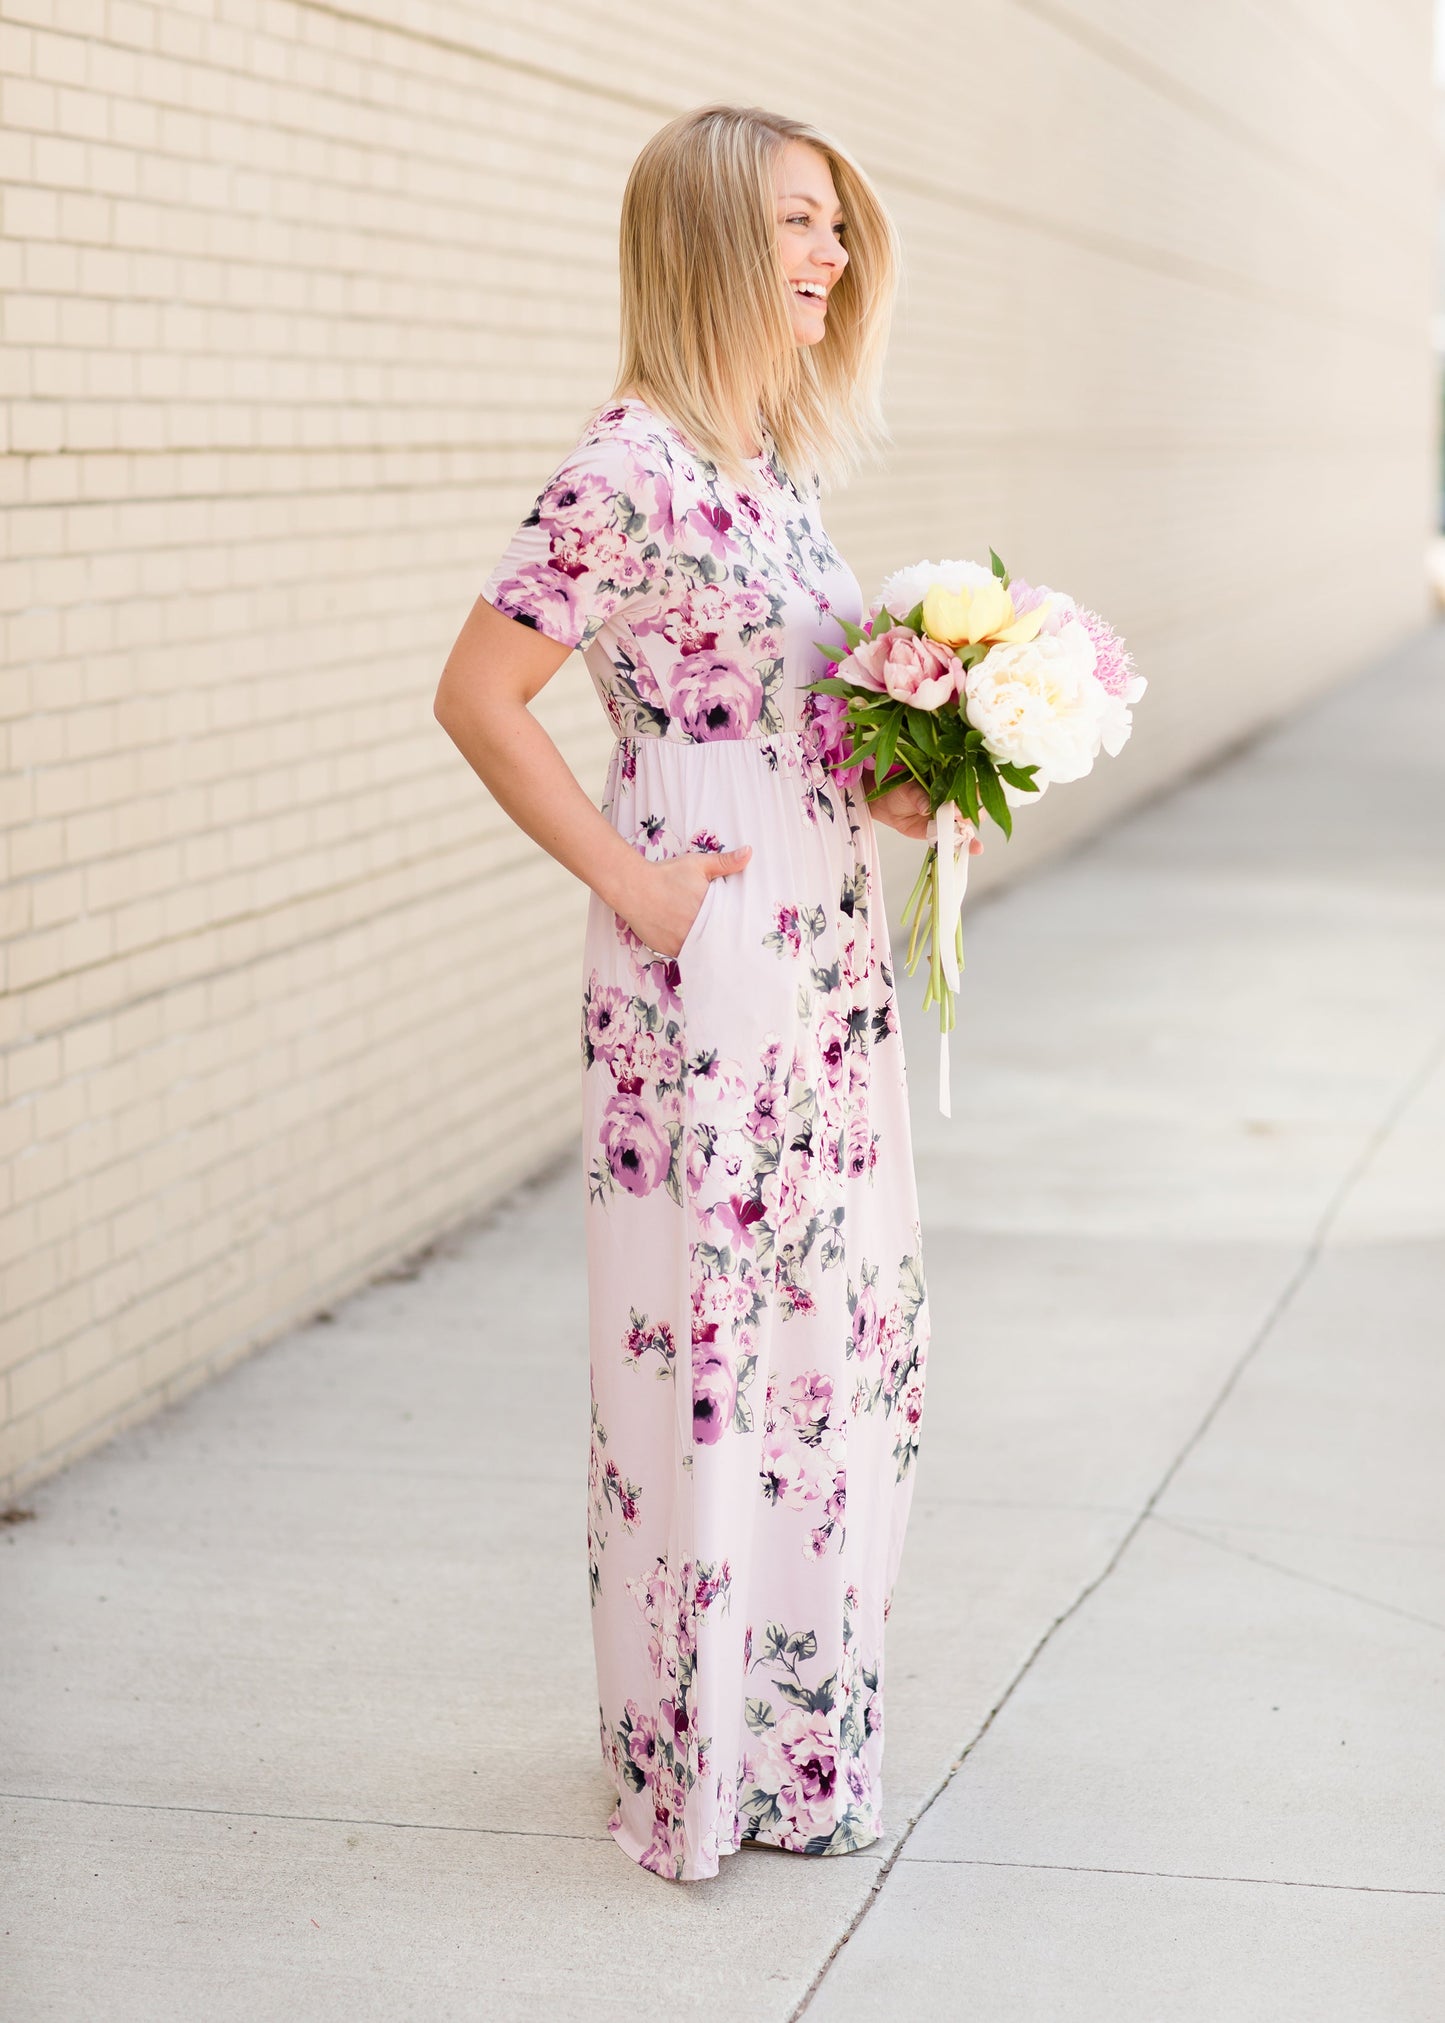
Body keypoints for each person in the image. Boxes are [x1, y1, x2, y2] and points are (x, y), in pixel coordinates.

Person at [433, 103, 981, 1884]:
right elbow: (479, 697)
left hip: (820, 947)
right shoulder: (629, 471)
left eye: (834, 227)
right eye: (793, 228)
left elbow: (804, 723)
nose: (826, 257)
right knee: (715, 1346)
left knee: (839, 1341)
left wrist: (913, 779)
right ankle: (696, 1752)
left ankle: (799, 1739)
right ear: (702, 249)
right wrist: (637, 882)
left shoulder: (774, 477)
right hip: (709, 946)